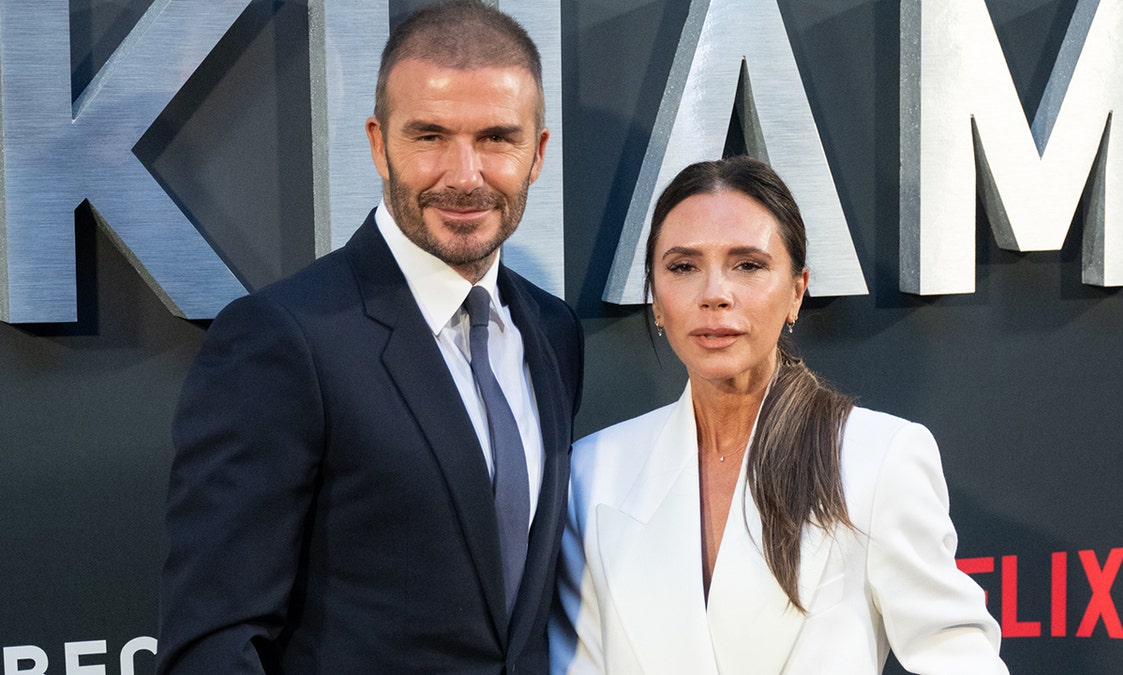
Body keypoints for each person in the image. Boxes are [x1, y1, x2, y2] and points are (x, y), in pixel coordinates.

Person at [157, 2, 583, 672]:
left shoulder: (553, 332)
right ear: (379, 143)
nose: (465, 175)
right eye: (430, 136)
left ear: (538, 153)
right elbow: (214, 642)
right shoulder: (284, 340)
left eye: (497, 138)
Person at [550, 156, 1006, 674]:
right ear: (655, 298)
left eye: (748, 265)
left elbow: (960, 659)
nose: (714, 295)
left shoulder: (877, 458)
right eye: (683, 267)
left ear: (796, 290)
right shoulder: (592, 473)